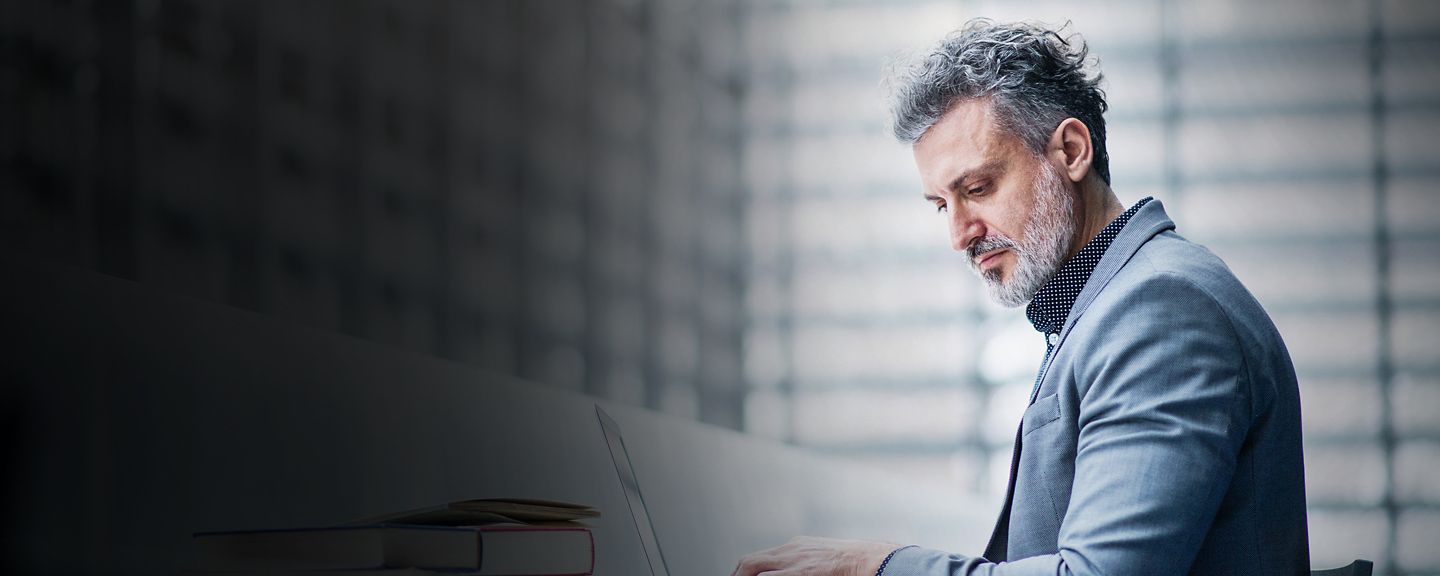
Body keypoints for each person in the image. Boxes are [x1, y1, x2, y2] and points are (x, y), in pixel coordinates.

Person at [733, 19, 1310, 576]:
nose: (959, 234)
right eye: (942, 205)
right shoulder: (1110, 304)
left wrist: (877, 568)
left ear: (1072, 151)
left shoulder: (1161, 311)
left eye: (978, 188)